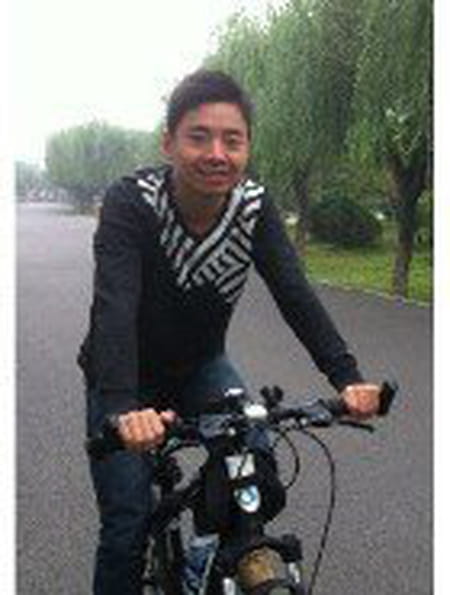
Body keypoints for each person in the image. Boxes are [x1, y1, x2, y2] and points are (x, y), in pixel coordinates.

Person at [78, 69, 381, 595]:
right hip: (124, 379)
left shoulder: (253, 208)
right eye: (199, 137)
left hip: (201, 366)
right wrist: (124, 408)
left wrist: (347, 378)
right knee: (127, 524)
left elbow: (295, 294)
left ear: (247, 148)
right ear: (169, 142)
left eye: (232, 140)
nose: (217, 153)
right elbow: (114, 310)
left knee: (255, 465)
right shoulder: (133, 202)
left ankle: (211, 557)